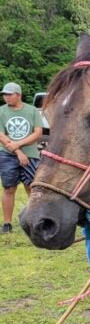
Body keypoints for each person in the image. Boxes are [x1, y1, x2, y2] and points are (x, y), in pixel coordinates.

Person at [0, 82, 43, 234]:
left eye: (9, 94)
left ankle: (35, 221)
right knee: (9, 188)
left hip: (30, 154)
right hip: (7, 154)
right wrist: (18, 151)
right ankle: (7, 224)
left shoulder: (31, 111)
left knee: (32, 187)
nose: (6, 97)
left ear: (18, 95)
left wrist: (19, 144)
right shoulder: (1, 111)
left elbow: (37, 132)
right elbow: (1, 135)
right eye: (4, 94)